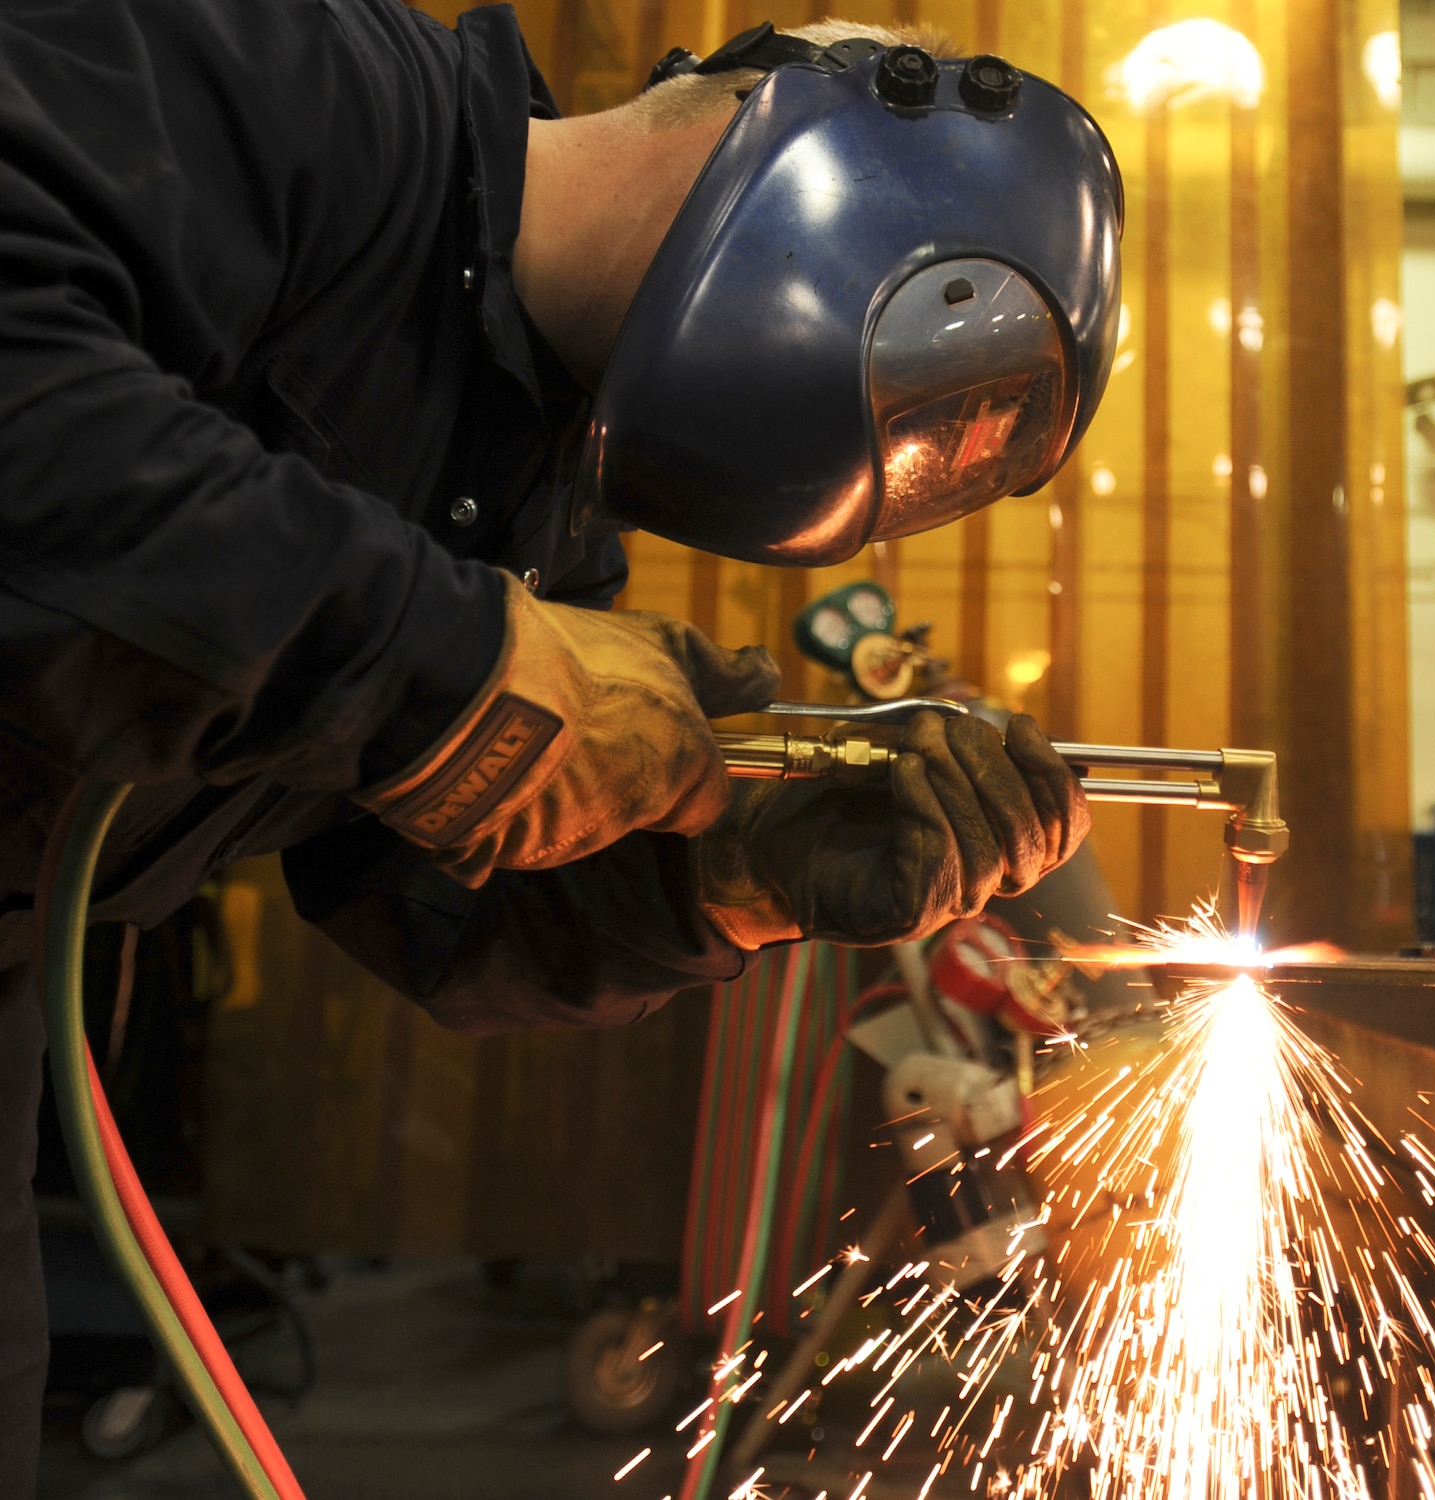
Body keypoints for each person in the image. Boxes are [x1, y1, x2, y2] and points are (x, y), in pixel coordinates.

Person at [0, 0, 1122, 1485]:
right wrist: (447, 667)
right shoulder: (288, 72)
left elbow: (424, 895)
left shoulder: (539, 515)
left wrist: (731, 865)